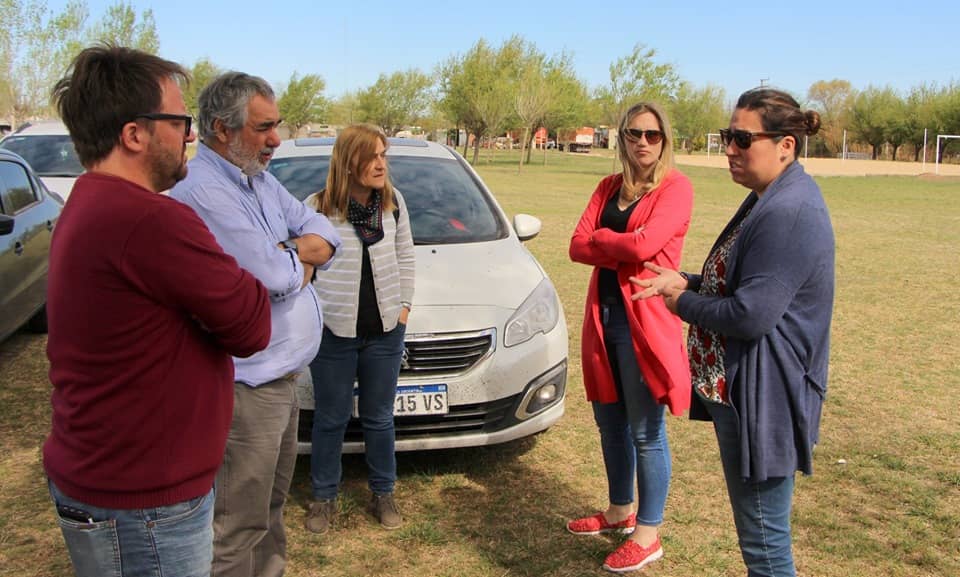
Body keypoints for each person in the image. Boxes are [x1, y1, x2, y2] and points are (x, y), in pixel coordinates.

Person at [43, 45, 272, 577]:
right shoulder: (150, 220)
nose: (190, 136)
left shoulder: (90, 200)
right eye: (179, 122)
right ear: (134, 134)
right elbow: (252, 323)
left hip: (113, 483)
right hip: (143, 503)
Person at [632, 87, 835, 577]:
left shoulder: (789, 212)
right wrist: (688, 281)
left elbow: (750, 315)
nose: (729, 149)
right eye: (729, 136)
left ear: (785, 145)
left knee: (765, 545)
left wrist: (682, 303)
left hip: (766, 398)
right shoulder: (768, 197)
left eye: (743, 139)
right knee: (760, 539)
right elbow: (743, 282)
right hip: (741, 393)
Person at [170, 72, 341, 577]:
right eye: (263, 128)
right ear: (222, 129)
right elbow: (272, 278)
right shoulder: (204, 191)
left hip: (280, 380)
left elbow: (324, 230)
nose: (276, 140)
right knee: (236, 525)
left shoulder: (259, 179)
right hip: (246, 387)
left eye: (276, 125)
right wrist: (298, 262)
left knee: (269, 508)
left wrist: (290, 252)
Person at [567, 102, 693, 573]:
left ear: (664, 141)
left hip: (644, 322)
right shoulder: (607, 188)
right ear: (621, 138)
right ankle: (620, 510)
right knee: (609, 422)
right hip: (602, 317)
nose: (643, 142)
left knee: (645, 431)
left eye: (652, 135)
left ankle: (648, 532)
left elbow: (646, 244)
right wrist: (618, 243)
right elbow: (575, 246)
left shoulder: (676, 188)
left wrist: (602, 239)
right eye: (634, 133)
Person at [303, 123, 415, 534]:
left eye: (384, 155)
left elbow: (406, 256)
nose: (381, 164)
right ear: (349, 162)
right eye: (372, 157)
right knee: (330, 419)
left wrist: (403, 309)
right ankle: (323, 497)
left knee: (379, 418)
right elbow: (303, 264)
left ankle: (383, 492)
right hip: (334, 333)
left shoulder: (393, 204)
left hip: (384, 332)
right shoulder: (317, 207)